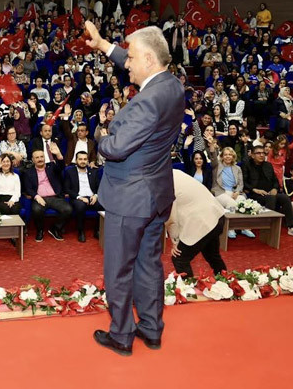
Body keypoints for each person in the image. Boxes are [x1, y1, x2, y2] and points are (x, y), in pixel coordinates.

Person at [85, 21, 184, 356]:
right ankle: (151, 329)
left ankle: (122, 335)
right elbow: (130, 58)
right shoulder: (173, 86)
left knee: (119, 269)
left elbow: (115, 149)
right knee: (148, 264)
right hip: (156, 195)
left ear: (148, 60)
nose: (125, 63)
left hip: (129, 197)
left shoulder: (145, 102)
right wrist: (102, 46)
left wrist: (101, 135)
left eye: (130, 59)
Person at [167, 169, 227, 278]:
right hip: (217, 214)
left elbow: (171, 217)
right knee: (212, 256)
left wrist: (175, 240)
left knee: (179, 258)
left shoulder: (163, 182)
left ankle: (188, 291)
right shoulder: (174, 172)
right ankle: (226, 283)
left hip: (202, 221)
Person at [243, 145, 293, 237]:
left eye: (263, 153)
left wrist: (275, 188)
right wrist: (254, 189)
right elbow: (243, 181)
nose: (261, 155)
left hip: (270, 192)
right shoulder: (246, 165)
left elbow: (275, 180)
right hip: (255, 194)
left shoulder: (268, 165)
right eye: (258, 153)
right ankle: (268, 227)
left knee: (284, 197)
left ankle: (292, 227)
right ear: (252, 155)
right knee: (271, 198)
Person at [23, 149, 72, 242]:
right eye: (37, 157)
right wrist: (36, 196)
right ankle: (40, 230)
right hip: (39, 198)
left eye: (42, 157)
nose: (40, 159)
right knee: (37, 210)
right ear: (33, 160)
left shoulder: (52, 167)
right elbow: (28, 188)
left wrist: (58, 155)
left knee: (68, 209)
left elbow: (61, 167)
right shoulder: (28, 172)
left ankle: (55, 228)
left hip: (55, 197)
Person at [63, 151, 103, 243]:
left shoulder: (94, 172)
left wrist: (96, 196)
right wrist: (79, 197)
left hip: (92, 197)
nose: (83, 161)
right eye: (80, 159)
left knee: (101, 205)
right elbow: (67, 189)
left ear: (88, 160)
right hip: (78, 198)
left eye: (85, 159)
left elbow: (99, 186)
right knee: (80, 206)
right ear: (76, 160)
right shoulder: (70, 172)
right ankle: (81, 231)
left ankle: (97, 230)